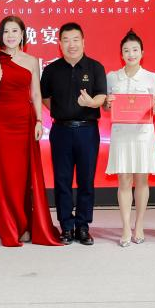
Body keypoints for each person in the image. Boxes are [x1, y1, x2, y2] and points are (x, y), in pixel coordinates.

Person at [0, 16, 62, 247]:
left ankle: (26, 224)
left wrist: (39, 120)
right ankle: (10, 227)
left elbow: (36, 93)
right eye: (6, 31)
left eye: (15, 31)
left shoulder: (32, 61)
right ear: (1, 35)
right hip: (1, 122)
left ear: (22, 34)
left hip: (25, 121)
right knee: (6, 174)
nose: (10, 35)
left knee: (25, 174)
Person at [41, 22, 107, 245]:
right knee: (62, 180)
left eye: (75, 39)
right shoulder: (51, 70)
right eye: (66, 40)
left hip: (88, 130)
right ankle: (67, 226)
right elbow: (44, 97)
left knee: (86, 180)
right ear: (59, 43)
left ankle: (83, 226)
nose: (71, 44)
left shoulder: (95, 67)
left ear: (83, 41)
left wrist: (91, 103)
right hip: (61, 130)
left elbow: (102, 96)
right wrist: (62, 111)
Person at [103, 29, 155, 247]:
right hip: (121, 135)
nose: (131, 54)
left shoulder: (151, 77)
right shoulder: (112, 77)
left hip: (142, 135)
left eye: (135, 50)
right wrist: (107, 103)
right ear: (121, 54)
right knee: (124, 180)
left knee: (142, 180)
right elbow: (106, 106)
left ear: (142, 53)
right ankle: (126, 227)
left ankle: (139, 225)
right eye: (126, 50)